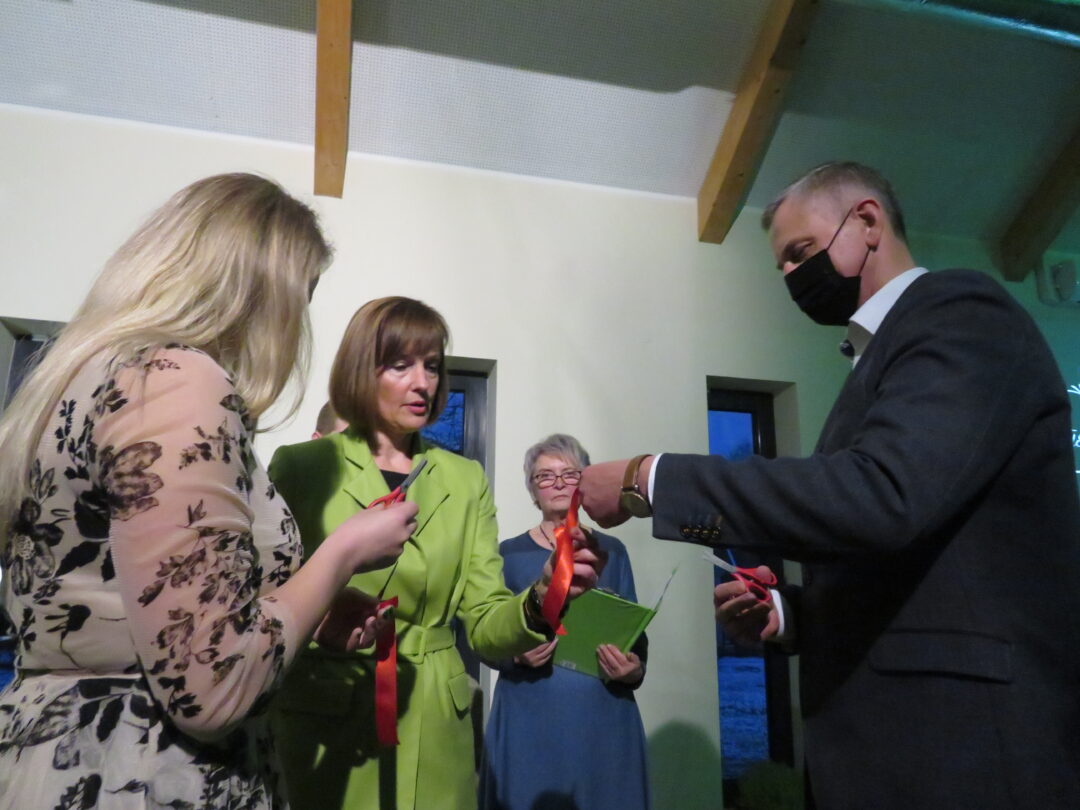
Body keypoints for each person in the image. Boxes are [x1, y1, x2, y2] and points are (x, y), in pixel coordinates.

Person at [578, 162, 1080, 809]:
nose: (792, 277)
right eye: (783, 265)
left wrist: (650, 478)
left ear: (867, 221)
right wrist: (789, 615)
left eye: (800, 251)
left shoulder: (961, 311)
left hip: (964, 748)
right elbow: (901, 562)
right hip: (891, 748)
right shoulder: (871, 370)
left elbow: (882, 497)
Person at [0, 174, 419, 808]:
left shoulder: (77, 379)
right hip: (144, 770)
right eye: (301, 297)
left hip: (58, 753)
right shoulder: (178, 380)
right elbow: (212, 686)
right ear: (257, 292)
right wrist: (342, 554)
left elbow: (145, 607)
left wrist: (306, 611)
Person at [268, 297, 603, 810]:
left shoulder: (465, 480)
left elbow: (485, 621)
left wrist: (542, 598)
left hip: (436, 724)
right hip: (329, 719)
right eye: (401, 365)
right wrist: (323, 621)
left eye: (431, 366)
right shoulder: (302, 467)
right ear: (361, 368)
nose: (422, 382)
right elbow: (266, 600)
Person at [479, 433, 650, 810]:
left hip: (603, 718)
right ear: (532, 490)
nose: (557, 483)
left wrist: (633, 670)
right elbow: (481, 635)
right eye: (545, 476)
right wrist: (515, 656)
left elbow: (635, 637)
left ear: (584, 483)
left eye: (569, 474)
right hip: (528, 717)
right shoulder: (505, 554)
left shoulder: (612, 551)